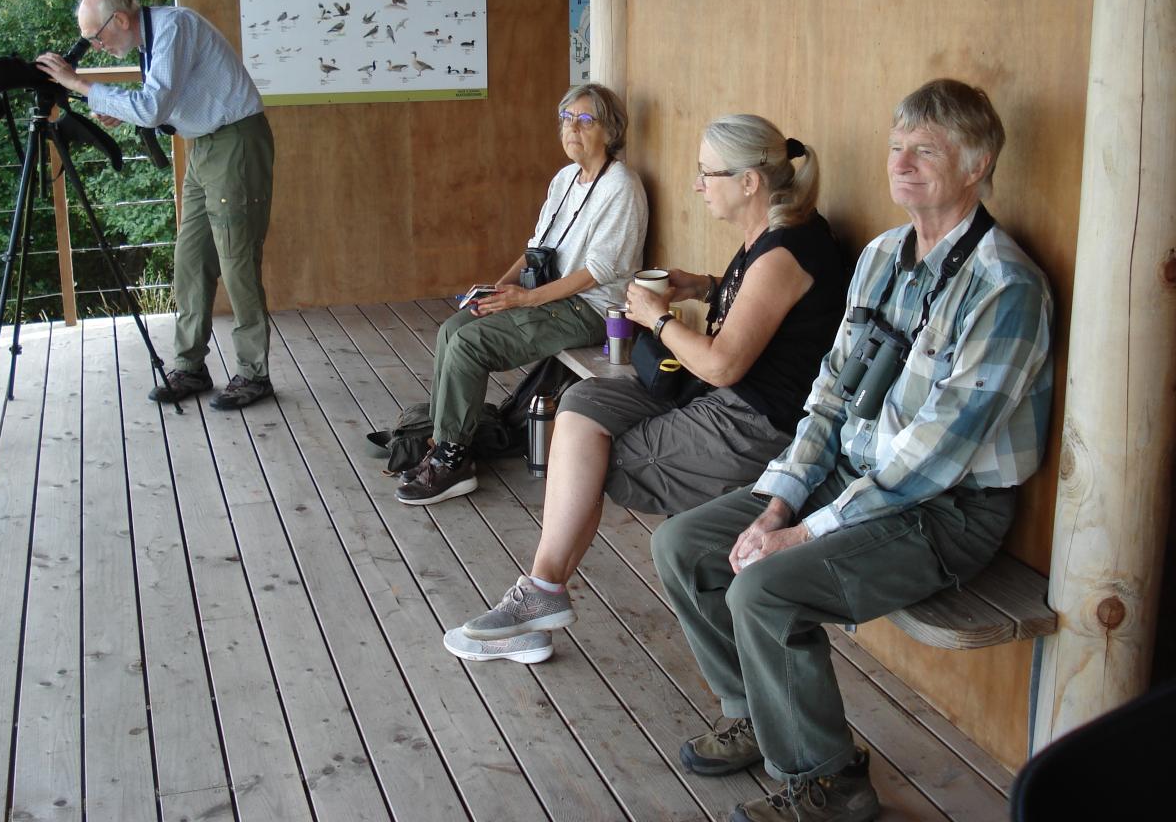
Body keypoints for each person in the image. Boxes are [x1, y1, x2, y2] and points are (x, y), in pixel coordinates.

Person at [651, 79, 1054, 822]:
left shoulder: (1005, 288)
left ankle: (834, 786)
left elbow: (932, 461)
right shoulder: (880, 256)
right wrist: (776, 500)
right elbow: (828, 398)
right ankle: (757, 712)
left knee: (765, 588)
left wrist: (800, 532)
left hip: (948, 510)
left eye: (925, 150)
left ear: (977, 163)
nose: (901, 163)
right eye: (896, 147)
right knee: (683, 544)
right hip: (850, 477)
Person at [443, 114, 846, 665]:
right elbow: (755, 309)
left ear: (748, 182)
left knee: (599, 464)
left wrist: (657, 319)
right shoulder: (773, 231)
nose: (698, 186)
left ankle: (541, 594)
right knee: (581, 405)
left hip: (754, 419)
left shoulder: (786, 249)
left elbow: (726, 365)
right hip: (709, 390)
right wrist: (702, 286)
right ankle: (543, 593)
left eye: (708, 174)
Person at [396, 82, 648, 505]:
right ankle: (445, 445)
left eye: (585, 120)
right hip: (548, 296)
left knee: (470, 344)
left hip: (591, 309)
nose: (572, 128)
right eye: (566, 119)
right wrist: (498, 289)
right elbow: (537, 247)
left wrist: (525, 299)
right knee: (454, 327)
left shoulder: (620, 185)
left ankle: (453, 462)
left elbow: (600, 271)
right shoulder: (566, 178)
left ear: (611, 130)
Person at [36, 0, 276, 410]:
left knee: (237, 260)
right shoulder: (151, 38)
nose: (96, 46)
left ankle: (254, 374)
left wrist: (77, 83)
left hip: (234, 142)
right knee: (190, 260)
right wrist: (117, 105)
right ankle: (190, 366)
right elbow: (160, 104)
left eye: (96, 36)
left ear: (121, 20)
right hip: (204, 146)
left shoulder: (174, 27)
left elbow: (151, 108)